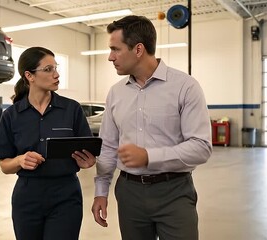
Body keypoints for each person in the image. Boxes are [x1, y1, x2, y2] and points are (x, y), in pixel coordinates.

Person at [91, 15, 213, 240]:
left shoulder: (185, 87)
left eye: (115, 49)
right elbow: (108, 146)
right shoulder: (116, 93)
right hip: (129, 193)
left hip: (174, 192)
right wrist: (101, 192)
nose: (110, 57)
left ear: (138, 49)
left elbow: (201, 147)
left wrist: (149, 156)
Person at [0, 46, 96, 240]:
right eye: (48, 69)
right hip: (27, 197)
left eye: (56, 68)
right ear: (29, 76)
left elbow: (88, 154)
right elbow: (4, 166)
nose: (56, 74)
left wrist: (88, 162)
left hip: (66, 196)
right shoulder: (11, 116)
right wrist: (20, 160)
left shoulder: (71, 109)